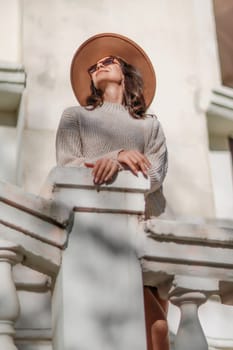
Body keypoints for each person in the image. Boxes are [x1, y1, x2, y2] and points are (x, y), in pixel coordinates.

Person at [56, 33, 169, 350]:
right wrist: (116, 156)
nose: (99, 66)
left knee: (156, 332)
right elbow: (68, 165)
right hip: (93, 233)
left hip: (143, 236)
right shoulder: (75, 117)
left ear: (126, 71)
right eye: (93, 66)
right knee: (155, 328)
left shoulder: (150, 125)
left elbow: (156, 173)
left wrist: (122, 164)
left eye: (109, 60)